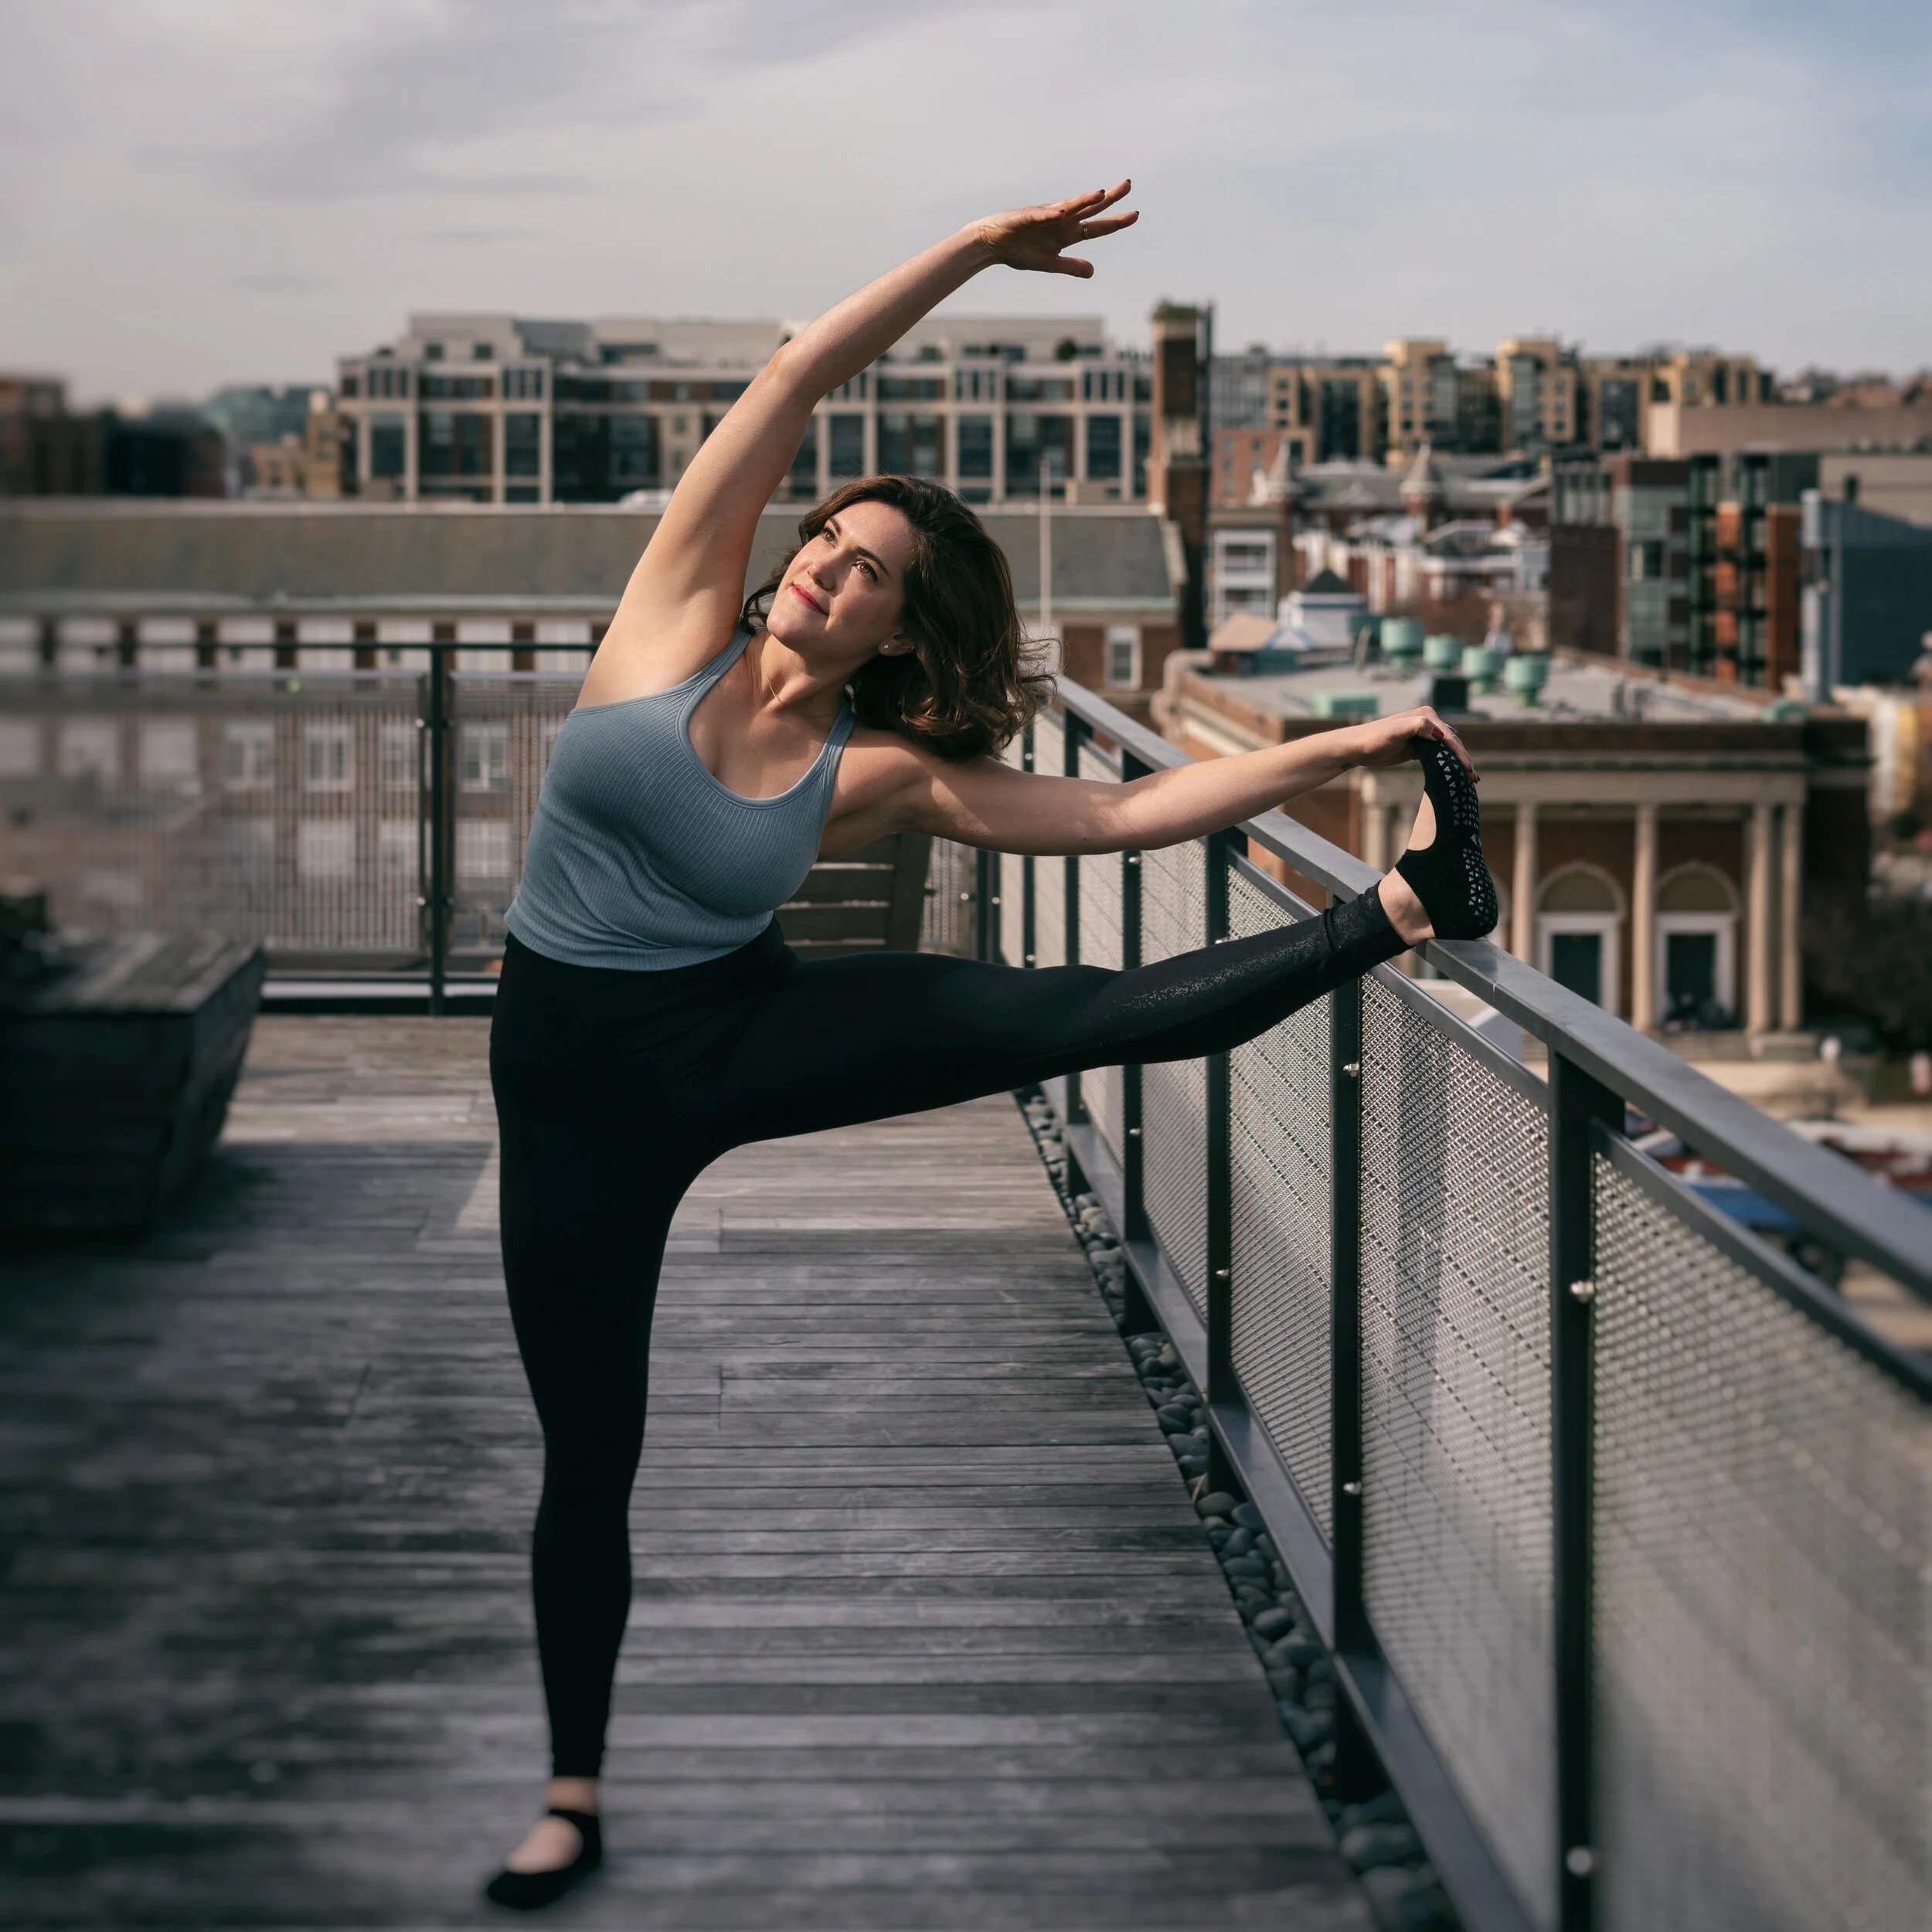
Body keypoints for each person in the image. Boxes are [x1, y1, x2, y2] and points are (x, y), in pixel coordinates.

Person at [481, 181, 1496, 1910]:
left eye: (864, 571)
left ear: (893, 627)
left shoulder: (871, 770)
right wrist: (968, 254)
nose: (822, 566)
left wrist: (1359, 736)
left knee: (1066, 1014)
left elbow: (1119, 810)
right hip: (568, 1083)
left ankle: (1405, 910)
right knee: (593, 1448)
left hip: (729, 1031)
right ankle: (569, 1789)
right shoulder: (668, 617)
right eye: (825, 541)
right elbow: (800, 371)